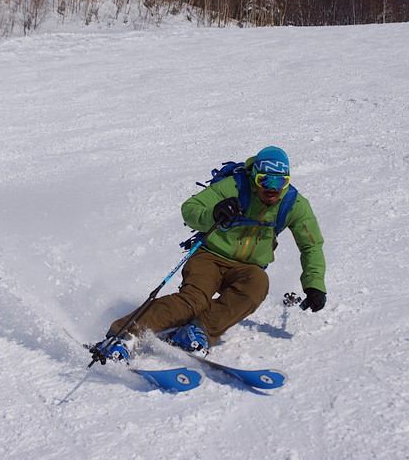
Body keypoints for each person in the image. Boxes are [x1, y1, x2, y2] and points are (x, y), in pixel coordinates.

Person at [92, 146, 327, 363]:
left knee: (257, 284)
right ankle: (123, 336)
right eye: (264, 179)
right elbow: (190, 209)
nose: (272, 188)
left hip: (247, 267)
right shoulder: (234, 187)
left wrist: (314, 284)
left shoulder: (294, 204)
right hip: (210, 255)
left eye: (281, 181)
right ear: (254, 175)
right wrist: (215, 212)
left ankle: (198, 330)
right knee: (193, 301)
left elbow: (311, 245)